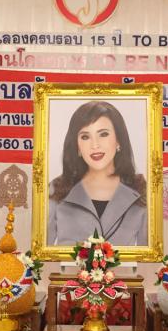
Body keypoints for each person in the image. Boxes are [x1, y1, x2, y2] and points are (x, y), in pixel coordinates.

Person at [47, 100, 147, 246]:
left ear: (119, 140)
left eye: (103, 134)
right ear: (77, 146)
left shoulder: (140, 190)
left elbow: (149, 256)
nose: (95, 145)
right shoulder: (56, 189)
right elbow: (41, 253)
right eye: (85, 137)